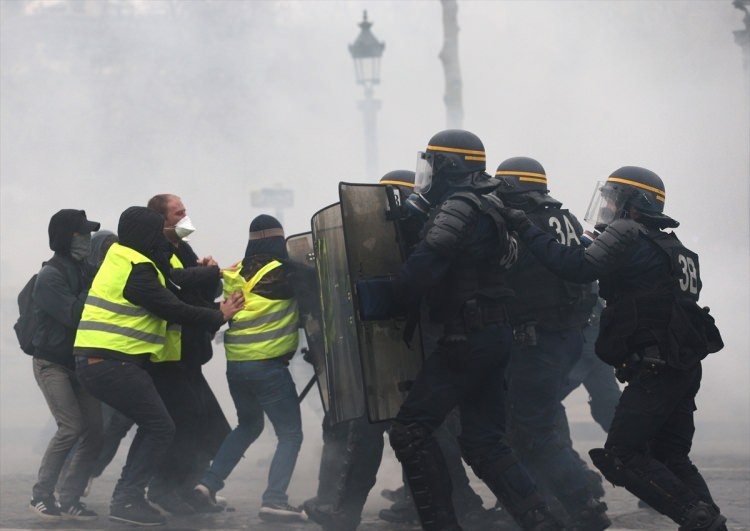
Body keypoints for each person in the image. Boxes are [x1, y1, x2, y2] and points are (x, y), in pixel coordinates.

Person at [500, 166, 727, 530]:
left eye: (613, 200)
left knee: (622, 455)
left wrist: (526, 226)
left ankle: (694, 516)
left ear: (635, 205)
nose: (607, 207)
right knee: (672, 457)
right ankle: (711, 522)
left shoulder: (627, 232)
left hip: (655, 367)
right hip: (682, 368)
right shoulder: (673, 246)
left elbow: (574, 267)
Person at [359, 130, 562, 531]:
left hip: (464, 337)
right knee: (483, 442)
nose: (427, 173)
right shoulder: (493, 203)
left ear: (449, 167)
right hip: (494, 333)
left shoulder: (459, 204)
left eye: (432, 164)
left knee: (411, 433)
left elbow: (426, 265)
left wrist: (382, 295)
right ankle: (542, 521)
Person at [73, 206, 244, 527]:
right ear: (146, 235)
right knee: (160, 427)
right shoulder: (138, 268)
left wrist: (213, 275)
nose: (161, 239)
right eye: (156, 232)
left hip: (108, 361)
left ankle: (130, 496)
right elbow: (172, 307)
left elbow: (175, 283)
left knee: (156, 424)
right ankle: (126, 499)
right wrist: (219, 314)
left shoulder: (123, 258)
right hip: (110, 361)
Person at [494, 157, 611, 530]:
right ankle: (551, 500)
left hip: (537, 339)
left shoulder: (522, 223)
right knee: (531, 426)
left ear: (513, 187)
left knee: (534, 430)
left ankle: (581, 502)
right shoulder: (566, 219)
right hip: (563, 337)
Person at [192, 214, 307, 523]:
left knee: (248, 425)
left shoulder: (235, 273)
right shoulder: (285, 274)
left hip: (237, 368)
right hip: (268, 367)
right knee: (291, 434)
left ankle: (207, 484)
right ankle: (274, 499)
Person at [144, 194, 232, 514]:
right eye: (179, 213)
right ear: (162, 219)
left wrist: (208, 275)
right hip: (168, 358)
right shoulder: (155, 250)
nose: (186, 217)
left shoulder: (183, 247)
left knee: (213, 431)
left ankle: (188, 490)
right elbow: (172, 283)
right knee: (183, 428)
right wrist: (212, 275)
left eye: (186, 211)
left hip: (190, 356)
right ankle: (163, 491)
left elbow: (195, 293)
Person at [29, 209, 102, 521]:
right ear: (63, 237)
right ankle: (41, 495)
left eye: (87, 234)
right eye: (79, 233)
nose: (86, 239)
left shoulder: (84, 268)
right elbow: (74, 315)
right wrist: (98, 288)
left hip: (77, 361)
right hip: (52, 363)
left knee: (96, 431)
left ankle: (70, 498)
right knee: (70, 427)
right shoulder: (50, 277)